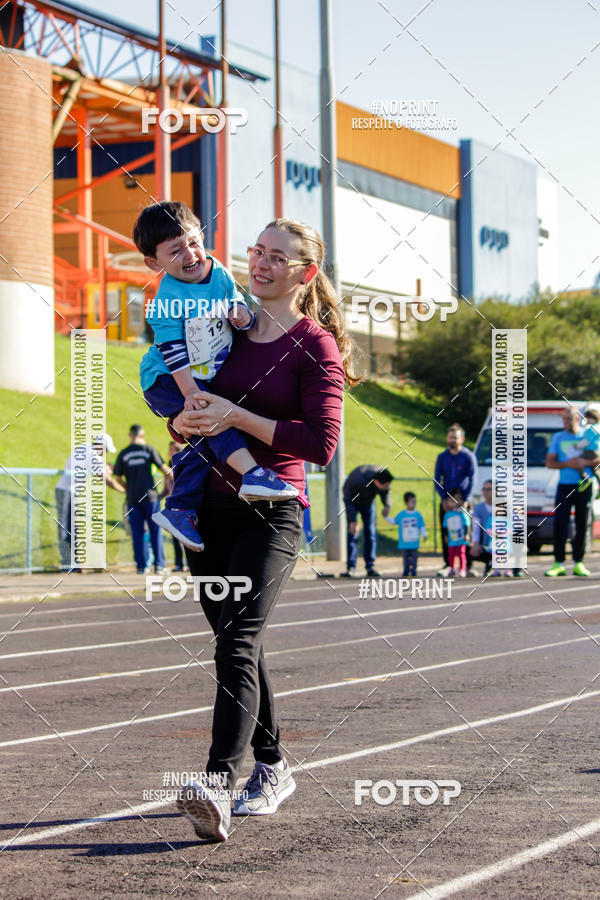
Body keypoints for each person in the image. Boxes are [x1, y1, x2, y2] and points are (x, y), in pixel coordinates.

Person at [169, 217, 355, 842]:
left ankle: (217, 784)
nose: (262, 263)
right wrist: (187, 421)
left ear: (304, 273)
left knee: (238, 641)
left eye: (278, 256)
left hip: (274, 508)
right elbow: (187, 399)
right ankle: (273, 767)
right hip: (206, 511)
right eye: (257, 251)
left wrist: (236, 416)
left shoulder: (314, 345)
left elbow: (321, 445)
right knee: (235, 644)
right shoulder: (226, 327)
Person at [134, 201, 298, 552]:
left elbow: (238, 304)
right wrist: (192, 392)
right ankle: (251, 474)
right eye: (175, 251)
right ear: (155, 263)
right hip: (166, 378)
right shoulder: (167, 299)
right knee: (213, 418)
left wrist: (244, 316)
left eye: (193, 241)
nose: (190, 253)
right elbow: (172, 351)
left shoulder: (218, 272)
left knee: (204, 438)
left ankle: (179, 508)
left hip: (199, 375)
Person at [55, 433, 124, 571]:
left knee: (72, 527)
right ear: (101, 446)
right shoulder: (94, 455)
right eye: (105, 450)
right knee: (66, 527)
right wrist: (122, 490)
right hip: (67, 491)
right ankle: (69, 563)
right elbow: (105, 479)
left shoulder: (85, 447)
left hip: (68, 491)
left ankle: (72, 562)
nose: (105, 453)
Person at [545, 407, 599, 577]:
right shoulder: (558, 437)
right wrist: (569, 464)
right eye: (563, 419)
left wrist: (583, 462)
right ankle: (558, 562)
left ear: (577, 419)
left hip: (584, 484)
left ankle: (579, 562)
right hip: (564, 485)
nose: (565, 422)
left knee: (582, 523)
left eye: (568, 419)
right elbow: (550, 463)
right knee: (560, 523)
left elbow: (598, 456)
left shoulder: (588, 434)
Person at [113, 425, 170, 575]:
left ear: (130, 435)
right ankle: (159, 565)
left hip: (132, 498)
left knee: (137, 534)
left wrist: (128, 488)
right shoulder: (148, 450)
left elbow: (118, 477)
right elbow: (164, 469)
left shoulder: (123, 453)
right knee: (155, 531)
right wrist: (177, 480)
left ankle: (141, 566)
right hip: (150, 497)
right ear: (142, 435)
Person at [434, 424, 477, 577]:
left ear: (462, 439)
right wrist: (443, 499)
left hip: (463, 502)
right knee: (447, 531)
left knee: (466, 532)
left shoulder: (468, 456)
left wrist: (465, 500)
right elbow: (437, 479)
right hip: (447, 502)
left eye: (455, 437)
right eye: (450, 437)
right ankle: (448, 564)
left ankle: (468, 565)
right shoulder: (442, 457)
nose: (451, 440)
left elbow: (473, 479)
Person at [342, 465, 393, 577]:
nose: (387, 487)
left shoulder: (383, 477)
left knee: (370, 532)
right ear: (376, 482)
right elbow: (348, 498)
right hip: (353, 502)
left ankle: (370, 567)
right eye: (385, 486)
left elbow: (386, 491)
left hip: (368, 503)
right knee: (353, 532)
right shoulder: (358, 479)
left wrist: (387, 506)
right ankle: (351, 567)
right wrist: (352, 520)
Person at [385, 491, 427, 576]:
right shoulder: (402, 515)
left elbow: (422, 525)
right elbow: (394, 521)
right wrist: (386, 517)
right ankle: (406, 571)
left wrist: (424, 534)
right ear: (406, 503)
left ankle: (413, 571)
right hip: (404, 543)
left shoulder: (418, 515)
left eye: (414, 501)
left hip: (414, 543)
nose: (413, 503)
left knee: (414, 558)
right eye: (411, 502)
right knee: (406, 559)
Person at [161, 440, 186, 571]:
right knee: (175, 536)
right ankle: (179, 564)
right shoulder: (167, 466)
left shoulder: (184, 464)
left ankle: (188, 564)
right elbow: (167, 489)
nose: (170, 452)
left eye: (173, 450)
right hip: (172, 506)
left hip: (183, 505)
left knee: (186, 536)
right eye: (169, 450)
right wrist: (159, 496)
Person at [442, 489, 470, 577]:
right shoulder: (447, 515)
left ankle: (462, 569)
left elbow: (467, 524)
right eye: (451, 501)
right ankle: (452, 568)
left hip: (461, 539)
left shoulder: (462, 513)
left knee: (462, 554)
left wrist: (467, 534)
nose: (453, 503)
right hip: (452, 540)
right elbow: (445, 526)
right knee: (451, 555)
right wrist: (446, 536)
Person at [469, 480, 493, 576]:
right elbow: (476, 528)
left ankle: (515, 569)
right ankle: (469, 568)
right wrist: (476, 543)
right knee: (466, 548)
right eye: (484, 489)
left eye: (489, 489)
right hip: (486, 544)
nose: (485, 492)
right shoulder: (479, 508)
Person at [574, 404, 600, 492]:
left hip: (590, 451)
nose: (586, 420)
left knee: (577, 461)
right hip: (597, 452)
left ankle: (584, 478)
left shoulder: (591, 429)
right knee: (596, 470)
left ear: (592, 418)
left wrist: (577, 446)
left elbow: (586, 442)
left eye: (587, 418)